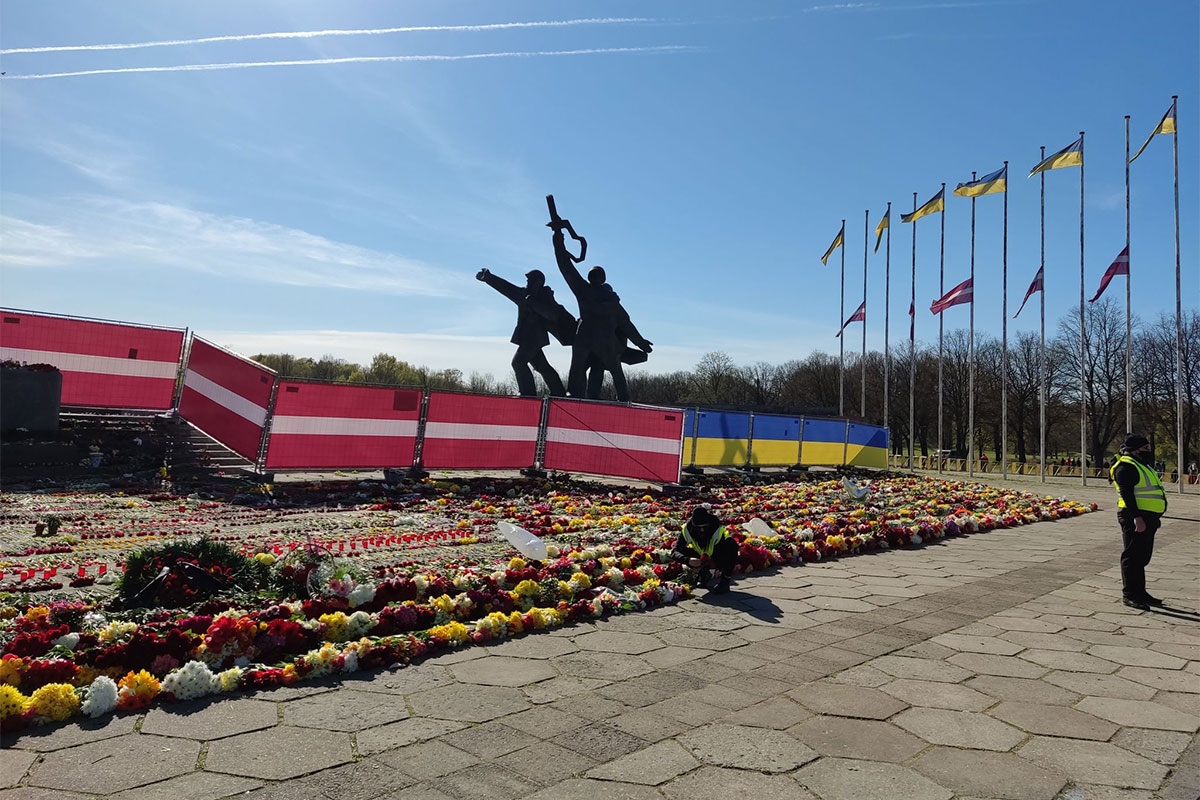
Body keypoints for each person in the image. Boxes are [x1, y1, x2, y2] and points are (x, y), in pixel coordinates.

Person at [551, 224, 652, 401]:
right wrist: (641, 342)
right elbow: (627, 325)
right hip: (601, 340)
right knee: (609, 371)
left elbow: (565, 266)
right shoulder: (611, 301)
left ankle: (578, 397)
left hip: (588, 338)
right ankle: (621, 399)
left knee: (581, 369)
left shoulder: (585, 291)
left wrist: (558, 238)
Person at [476, 268, 567, 398]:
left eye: (530, 280)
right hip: (525, 337)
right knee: (542, 366)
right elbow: (506, 287)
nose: (527, 282)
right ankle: (559, 392)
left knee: (518, 363)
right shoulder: (523, 294)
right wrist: (488, 277)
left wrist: (533, 303)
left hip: (535, 337)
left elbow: (553, 315)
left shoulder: (545, 296)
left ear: (538, 282)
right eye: (527, 280)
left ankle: (528, 394)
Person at [1109, 433, 1168, 611]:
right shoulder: (1126, 467)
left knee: (1142, 557)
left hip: (1149, 517)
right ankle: (1130, 595)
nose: (1148, 451)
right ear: (1134, 450)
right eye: (1145, 449)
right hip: (1134, 517)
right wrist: (1137, 518)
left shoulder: (1141, 465)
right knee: (1132, 557)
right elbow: (1127, 494)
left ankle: (1141, 592)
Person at [671, 504, 738, 594]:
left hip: (717, 555)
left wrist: (705, 563)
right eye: (698, 528)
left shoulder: (716, 527)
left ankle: (725, 581)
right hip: (699, 556)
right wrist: (688, 560)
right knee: (681, 551)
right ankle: (704, 574)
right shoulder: (687, 530)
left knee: (731, 544)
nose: (702, 530)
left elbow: (725, 549)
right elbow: (675, 551)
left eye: (704, 527)